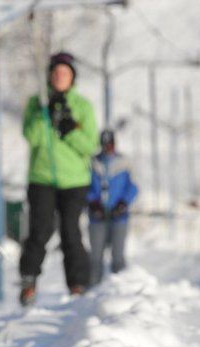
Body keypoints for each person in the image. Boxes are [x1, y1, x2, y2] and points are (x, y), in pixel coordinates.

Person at [19, 51, 99, 305]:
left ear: (72, 77)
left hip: (74, 180)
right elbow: (32, 137)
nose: (59, 77)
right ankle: (29, 280)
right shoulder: (37, 103)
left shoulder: (82, 107)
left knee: (70, 232)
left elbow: (89, 145)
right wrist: (45, 116)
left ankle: (78, 284)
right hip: (42, 178)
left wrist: (68, 127)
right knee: (39, 231)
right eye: (55, 73)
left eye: (64, 73)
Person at [87, 129, 138, 285]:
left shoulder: (125, 163)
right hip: (97, 217)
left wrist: (123, 203)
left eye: (110, 145)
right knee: (96, 257)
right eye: (104, 145)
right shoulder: (93, 163)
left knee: (118, 256)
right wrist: (93, 203)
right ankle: (93, 288)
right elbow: (84, 186)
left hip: (119, 216)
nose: (107, 148)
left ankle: (120, 288)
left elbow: (133, 187)